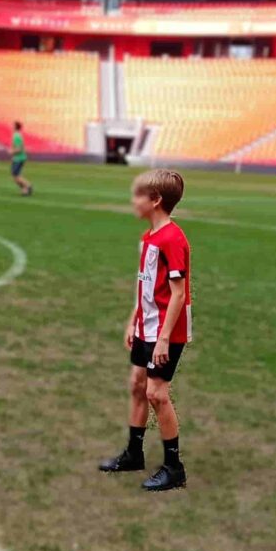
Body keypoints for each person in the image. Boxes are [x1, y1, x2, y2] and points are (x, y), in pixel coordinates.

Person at [99, 169, 191, 492]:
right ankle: (134, 454)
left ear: (156, 201)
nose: (133, 201)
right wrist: (133, 319)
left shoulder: (172, 239)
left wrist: (164, 337)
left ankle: (174, 467)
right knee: (137, 385)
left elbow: (178, 293)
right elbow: (147, 286)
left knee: (156, 393)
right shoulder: (149, 238)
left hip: (165, 331)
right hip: (145, 325)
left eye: (139, 195)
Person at [10, 121, 32, 196]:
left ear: (15, 127)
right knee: (15, 176)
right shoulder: (17, 135)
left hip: (19, 158)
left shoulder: (16, 136)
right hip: (18, 158)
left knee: (16, 176)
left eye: (12, 125)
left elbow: (19, 149)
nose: (11, 126)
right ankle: (25, 188)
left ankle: (27, 186)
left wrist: (12, 152)